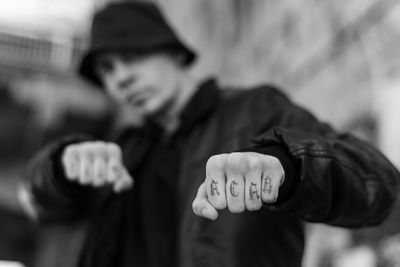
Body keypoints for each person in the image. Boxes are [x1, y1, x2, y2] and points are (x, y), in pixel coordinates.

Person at [20, 1, 400, 267]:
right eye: (106, 70)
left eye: (130, 57)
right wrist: (59, 168)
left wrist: (288, 167)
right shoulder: (121, 154)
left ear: (172, 51)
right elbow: (38, 206)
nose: (120, 77)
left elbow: (378, 187)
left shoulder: (255, 110)